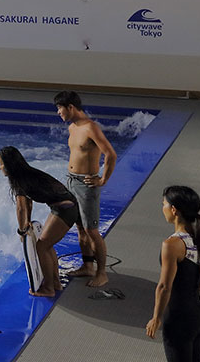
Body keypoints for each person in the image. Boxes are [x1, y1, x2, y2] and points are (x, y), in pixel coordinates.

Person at [0, 146, 79, 297]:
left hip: (66, 209)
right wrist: (26, 223)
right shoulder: (26, 174)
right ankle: (55, 283)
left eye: (1, 164)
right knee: (46, 245)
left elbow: (21, 208)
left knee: (42, 246)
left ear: (9, 165)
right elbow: (28, 203)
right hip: (64, 206)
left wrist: (22, 231)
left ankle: (48, 289)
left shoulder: (19, 179)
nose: (0, 168)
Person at [55, 90, 117, 287]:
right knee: (80, 228)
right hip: (71, 181)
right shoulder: (73, 128)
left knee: (92, 231)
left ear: (70, 107)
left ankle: (101, 273)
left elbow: (111, 154)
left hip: (87, 184)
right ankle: (87, 266)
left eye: (59, 108)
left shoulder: (91, 128)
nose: (58, 112)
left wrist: (103, 179)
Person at [146, 185, 200, 361]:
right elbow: (199, 283)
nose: (163, 208)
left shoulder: (172, 244)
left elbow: (164, 286)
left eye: (164, 204)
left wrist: (156, 318)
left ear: (174, 210)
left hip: (179, 317)